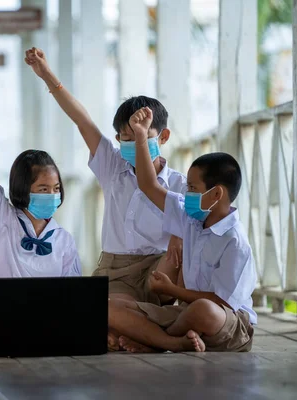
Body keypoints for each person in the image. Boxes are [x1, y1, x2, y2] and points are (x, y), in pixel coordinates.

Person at [25, 48, 186, 350]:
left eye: (141, 135)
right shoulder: (112, 167)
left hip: (160, 272)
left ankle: (141, 331)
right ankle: (148, 333)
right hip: (119, 273)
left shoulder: (180, 183)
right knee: (104, 308)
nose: (132, 142)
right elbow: (81, 119)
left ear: (163, 137)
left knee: (182, 240)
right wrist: (46, 73)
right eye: (126, 137)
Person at [108, 107, 257, 353]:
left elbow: (221, 302)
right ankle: (171, 341)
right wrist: (141, 137)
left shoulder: (235, 243)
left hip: (229, 323)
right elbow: (148, 185)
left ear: (216, 194)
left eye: (191, 187)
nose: (185, 193)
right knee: (110, 307)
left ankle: (153, 342)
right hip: (183, 314)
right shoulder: (190, 218)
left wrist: (171, 290)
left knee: (203, 310)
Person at [0, 91, 81, 299]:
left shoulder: (65, 241)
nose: (52, 195)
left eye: (56, 189)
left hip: (44, 321)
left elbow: (72, 295)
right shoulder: (2, 217)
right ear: (23, 188)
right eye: (43, 189)